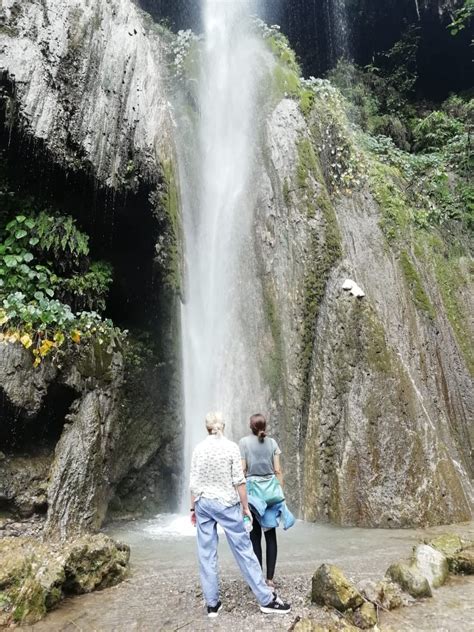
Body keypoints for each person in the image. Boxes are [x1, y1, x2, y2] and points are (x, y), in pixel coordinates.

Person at [190, 411, 291, 618]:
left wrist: (193, 509)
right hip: (226, 503)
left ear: (207, 428)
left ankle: (212, 605)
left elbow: (193, 482)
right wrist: (245, 507)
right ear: (223, 426)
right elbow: (239, 481)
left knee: (206, 553)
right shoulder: (230, 447)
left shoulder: (198, 449)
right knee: (244, 550)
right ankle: (266, 599)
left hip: (203, 503)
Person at [239, 413, 293, 589]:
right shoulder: (272, 443)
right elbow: (277, 470)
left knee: (254, 537)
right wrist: (280, 492)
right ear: (264, 426)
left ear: (251, 426)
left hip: (253, 492)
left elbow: (243, 469)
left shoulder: (244, 443)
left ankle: (257, 580)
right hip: (270, 492)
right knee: (270, 536)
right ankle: (270, 579)